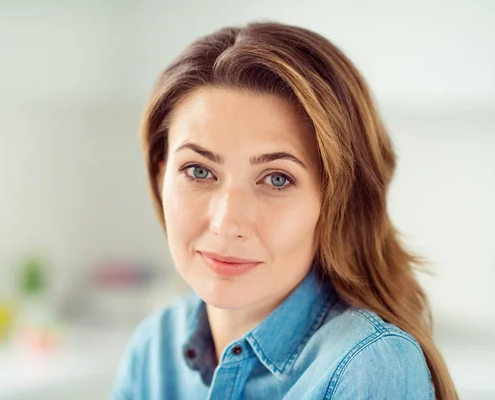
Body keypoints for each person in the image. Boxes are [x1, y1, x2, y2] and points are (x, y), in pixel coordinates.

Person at [111, 22, 458, 400]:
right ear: (161, 174)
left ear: (335, 201)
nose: (226, 224)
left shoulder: (368, 366)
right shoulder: (154, 347)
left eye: (276, 179)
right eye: (199, 171)